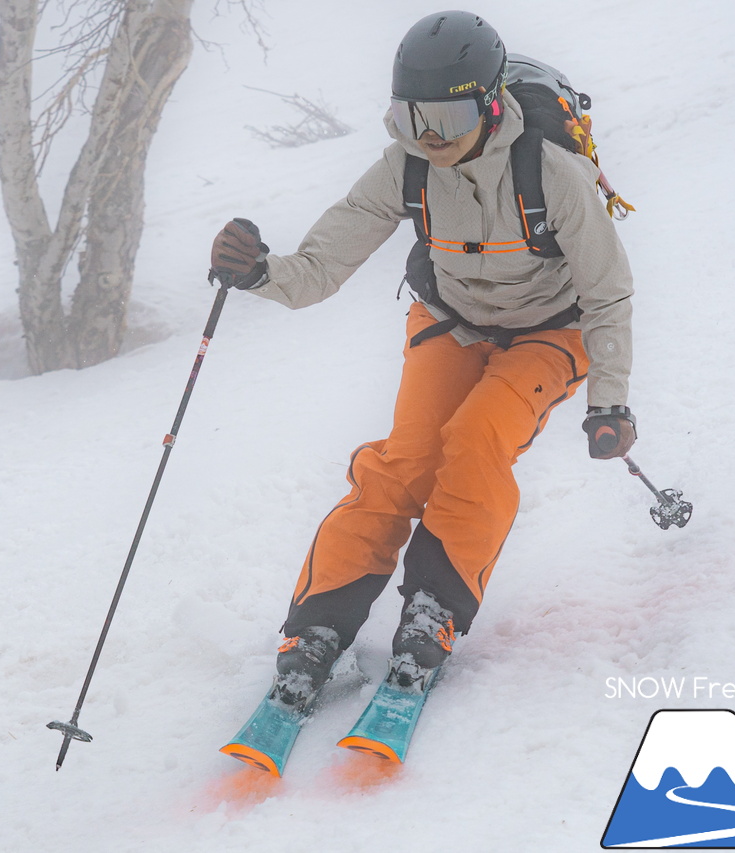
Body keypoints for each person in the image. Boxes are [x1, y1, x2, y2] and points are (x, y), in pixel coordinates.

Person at [209, 10, 636, 708]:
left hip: (552, 329)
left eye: (449, 114)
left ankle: (434, 612)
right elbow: (319, 267)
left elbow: (609, 291)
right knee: (405, 461)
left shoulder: (551, 171)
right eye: (413, 117)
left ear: (490, 102)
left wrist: (609, 401)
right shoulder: (405, 166)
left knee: (474, 442)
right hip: (451, 319)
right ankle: (316, 627)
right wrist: (258, 272)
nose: (431, 135)